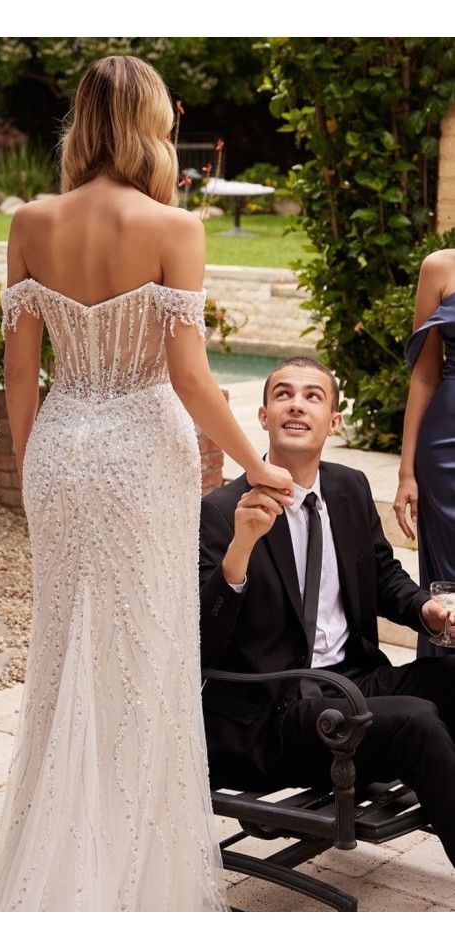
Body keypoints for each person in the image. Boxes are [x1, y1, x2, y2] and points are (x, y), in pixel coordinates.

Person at [0, 55, 293, 912]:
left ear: (80, 121)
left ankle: (59, 862)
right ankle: (129, 874)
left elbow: (20, 368)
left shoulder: (29, 220)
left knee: (67, 646)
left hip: (63, 445)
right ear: (152, 122)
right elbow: (190, 379)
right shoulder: (173, 226)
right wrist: (261, 463)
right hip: (143, 454)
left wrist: (45, 459)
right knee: (144, 652)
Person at [199, 356, 455, 867]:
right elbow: (202, 640)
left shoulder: (349, 488)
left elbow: (383, 577)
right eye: (283, 395)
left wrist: (426, 609)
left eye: (313, 396)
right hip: (276, 709)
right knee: (416, 722)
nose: (297, 403)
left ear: (334, 421)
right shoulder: (224, 511)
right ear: (263, 416)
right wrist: (240, 551)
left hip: (353, 681)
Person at [394, 248, 455, 658]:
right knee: (449, 587)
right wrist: (406, 473)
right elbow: (426, 373)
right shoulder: (441, 267)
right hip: (446, 449)